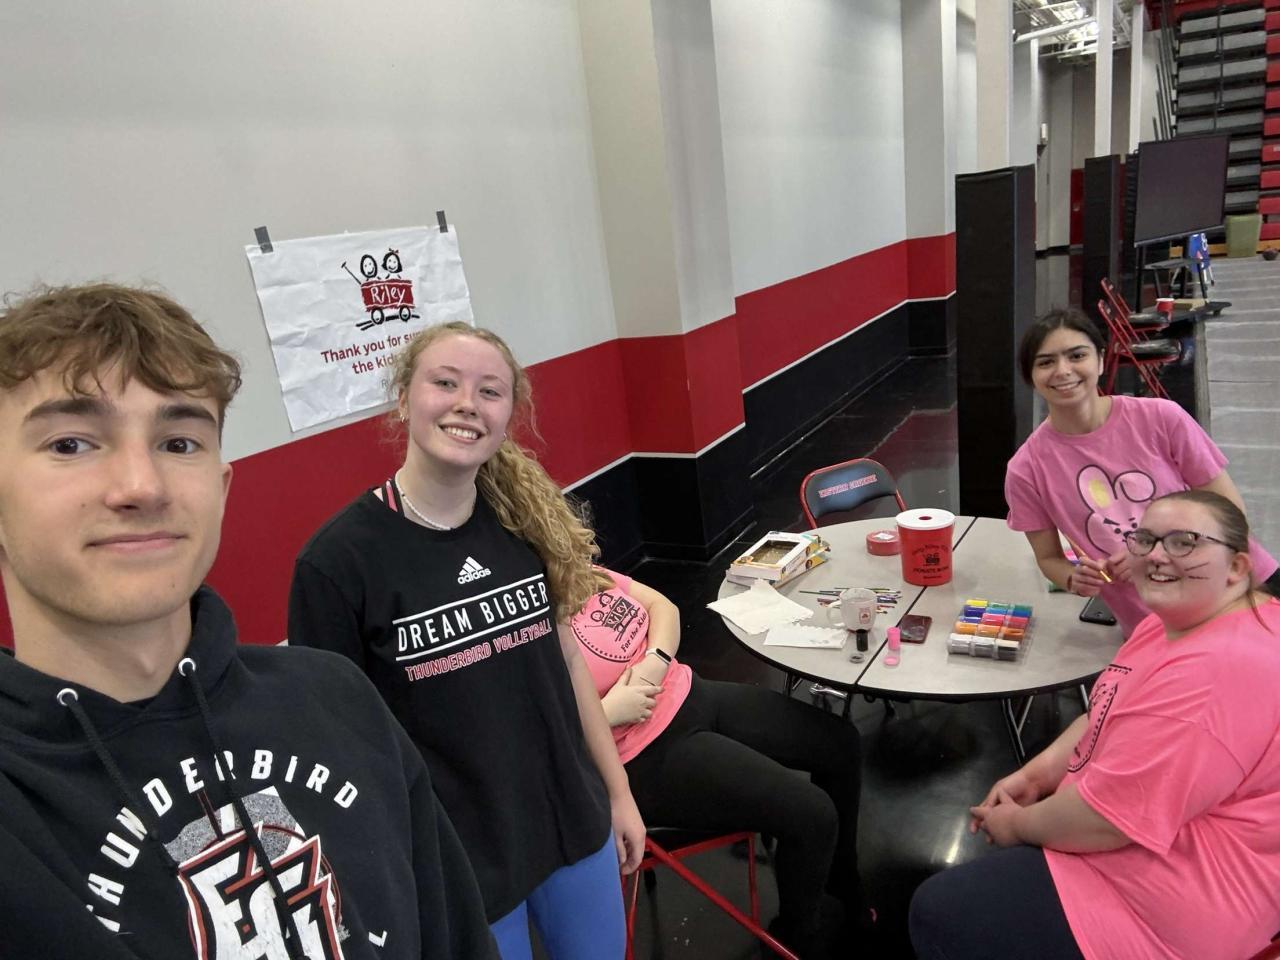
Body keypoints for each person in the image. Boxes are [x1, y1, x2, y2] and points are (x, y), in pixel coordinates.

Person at [0, 284, 496, 959]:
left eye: (179, 442)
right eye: (70, 443)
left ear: (221, 487)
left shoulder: (337, 700)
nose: (142, 486)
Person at [288, 322, 643, 960]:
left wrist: (618, 794)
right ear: (404, 399)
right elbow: (335, 749)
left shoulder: (524, 522)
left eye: (490, 391)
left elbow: (567, 664)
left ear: (509, 415)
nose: (466, 404)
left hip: (570, 821)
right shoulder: (338, 564)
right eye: (445, 383)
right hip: (456, 859)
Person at [910, 490, 1280, 960]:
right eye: (1145, 539)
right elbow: (1106, 708)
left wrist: (1017, 825)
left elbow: (1108, 820)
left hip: (1172, 910)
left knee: (941, 911)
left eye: (1184, 542)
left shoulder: (1215, 674)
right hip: (1151, 852)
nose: (1157, 555)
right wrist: (1037, 774)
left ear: (1237, 567)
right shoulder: (1179, 621)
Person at [569, 567, 870, 958]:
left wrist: (653, 662)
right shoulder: (527, 624)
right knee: (814, 816)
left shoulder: (576, 569)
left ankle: (838, 880)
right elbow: (529, 742)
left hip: (688, 694)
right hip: (641, 755)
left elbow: (663, 607)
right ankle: (797, 940)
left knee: (841, 743)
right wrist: (606, 712)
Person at [1005, 307, 1278, 636]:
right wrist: (1073, 578)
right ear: (1030, 377)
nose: (1063, 371)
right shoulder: (1026, 469)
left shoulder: (1161, 417)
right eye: (1046, 362)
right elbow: (1049, 558)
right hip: (1154, 623)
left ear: (1101, 360)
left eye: (1077, 355)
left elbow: (1230, 510)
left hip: (1240, 590)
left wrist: (1150, 551)